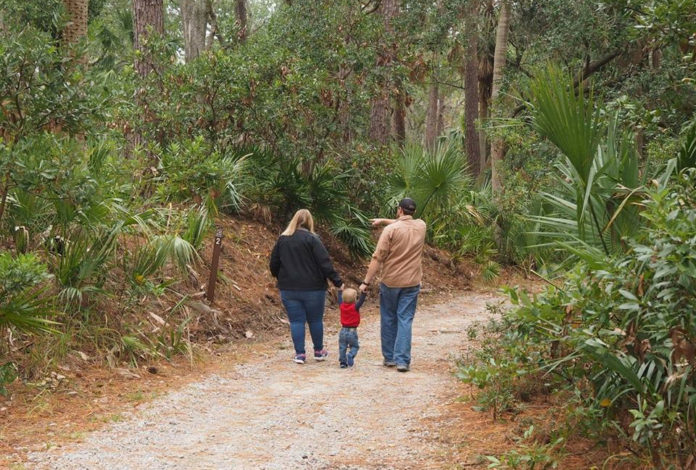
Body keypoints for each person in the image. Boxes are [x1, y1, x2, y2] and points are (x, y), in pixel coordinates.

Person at [359, 198, 426, 372]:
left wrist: (366, 282)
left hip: (391, 281)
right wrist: (382, 221)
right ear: (413, 211)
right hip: (412, 282)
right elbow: (404, 223)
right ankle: (402, 361)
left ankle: (389, 358)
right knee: (405, 319)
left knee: (389, 318)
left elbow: (378, 258)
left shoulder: (391, 230)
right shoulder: (421, 226)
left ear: (399, 210)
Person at [270, 209, 344, 364]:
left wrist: (281, 277)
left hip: (289, 288)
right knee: (315, 320)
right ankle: (318, 351)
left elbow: (274, 264)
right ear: (310, 222)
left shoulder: (282, 239)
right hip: (314, 288)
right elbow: (325, 263)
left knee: (296, 321)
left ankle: (300, 354)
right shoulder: (313, 239)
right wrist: (337, 281)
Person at [337, 287, 366, 369]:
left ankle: (343, 362)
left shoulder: (341, 306)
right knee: (355, 346)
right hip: (352, 331)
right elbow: (361, 302)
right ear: (354, 299)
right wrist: (363, 294)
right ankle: (350, 355)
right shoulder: (355, 307)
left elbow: (339, 299)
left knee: (342, 346)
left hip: (342, 331)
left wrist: (339, 291)